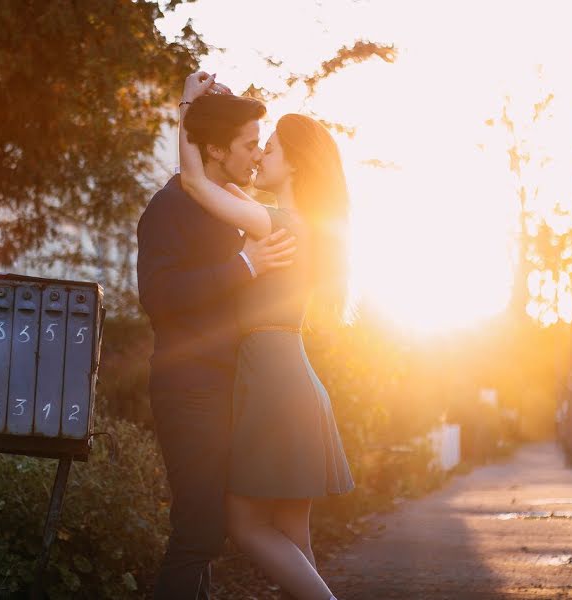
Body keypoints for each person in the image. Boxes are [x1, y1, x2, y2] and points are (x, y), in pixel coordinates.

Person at [177, 71, 356, 600]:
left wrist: (186, 102)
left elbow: (193, 182)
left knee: (247, 525)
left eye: (269, 149)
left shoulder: (273, 222)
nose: (259, 158)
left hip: (275, 380)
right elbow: (220, 179)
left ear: (295, 162)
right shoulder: (302, 224)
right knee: (293, 538)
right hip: (294, 376)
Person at [136, 87, 298, 599]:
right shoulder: (168, 208)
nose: (256, 154)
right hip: (188, 390)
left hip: (229, 389)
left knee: (208, 531)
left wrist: (190, 110)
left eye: (259, 145)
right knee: (199, 529)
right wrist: (246, 265)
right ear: (216, 150)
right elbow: (160, 298)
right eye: (249, 144)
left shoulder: (227, 205)